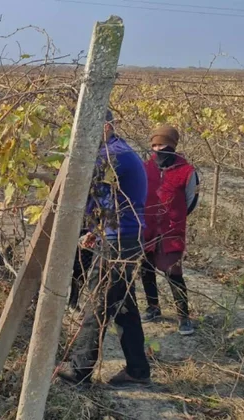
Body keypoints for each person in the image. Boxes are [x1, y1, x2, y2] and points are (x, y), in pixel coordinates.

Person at [58, 110, 152, 387]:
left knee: (98, 305)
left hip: (120, 242)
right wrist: (94, 231)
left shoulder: (112, 156)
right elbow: (104, 198)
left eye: (89, 128)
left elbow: (83, 188)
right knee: (124, 307)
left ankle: (79, 370)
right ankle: (138, 370)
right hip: (122, 237)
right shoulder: (116, 150)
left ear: (107, 126)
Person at [140, 125, 199, 336]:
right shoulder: (146, 167)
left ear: (172, 146)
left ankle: (183, 317)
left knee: (174, 273)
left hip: (171, 231)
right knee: (145, 269)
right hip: (147, 229)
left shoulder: (187, 172)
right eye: (154, 145)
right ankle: (153, 307)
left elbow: (191, 202)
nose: (157, 149)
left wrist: (174, 217)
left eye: (162, 145)